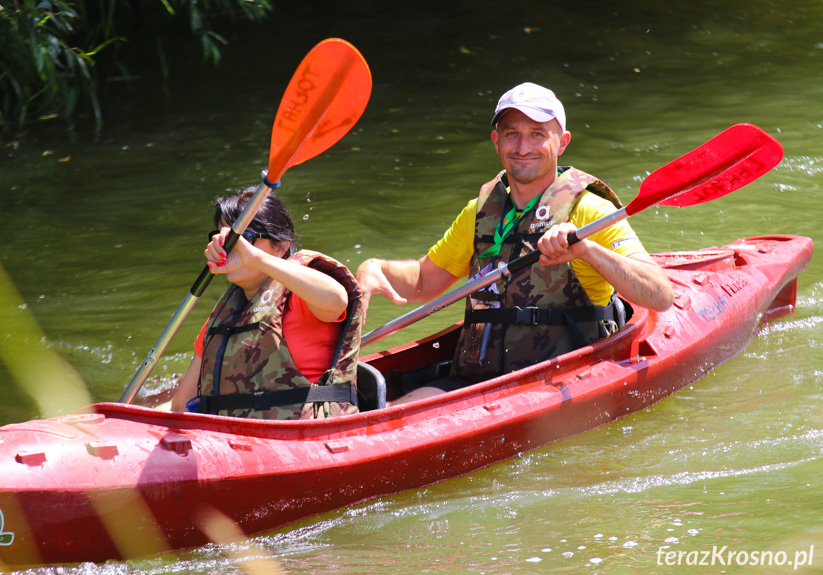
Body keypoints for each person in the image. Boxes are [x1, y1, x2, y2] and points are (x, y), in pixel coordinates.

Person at [357, 82, 674, 391]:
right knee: (397, 411)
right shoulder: (479, 213)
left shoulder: (590, 210)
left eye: (537, 134)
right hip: (477, 379)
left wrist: (587, 250)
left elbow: (659, 295)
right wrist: (376, 269)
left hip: (562, 379)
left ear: (562, 142)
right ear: (496, 141)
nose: (523, 148)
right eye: (512, 134)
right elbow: (424, 282)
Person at [171, 187, 362, 419]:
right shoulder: (225, 316)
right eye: (226, 239)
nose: (233, 247)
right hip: (237, 441)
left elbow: (337, 300)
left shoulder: (300, 293)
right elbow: (181, 404)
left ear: (281, 247)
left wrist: (256, 258)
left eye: (246, 238)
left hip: (306, 439)